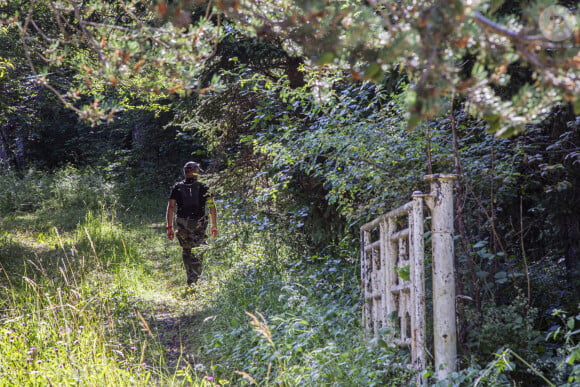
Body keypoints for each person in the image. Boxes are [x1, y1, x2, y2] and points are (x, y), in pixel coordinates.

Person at [166, 161, 218, 285]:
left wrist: (169, 227)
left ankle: (190, 276)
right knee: (198, 249)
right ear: (195, 171)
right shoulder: (204, 186)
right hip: (199, 223)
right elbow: (211, 206)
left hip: (182, 223)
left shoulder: (177, 187)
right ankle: (194, 278)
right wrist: (214, 225)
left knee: (186, 250)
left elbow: (171, 208)